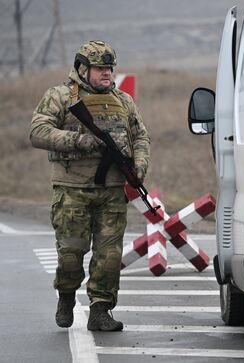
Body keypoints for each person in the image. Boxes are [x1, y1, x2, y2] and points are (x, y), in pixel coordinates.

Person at [29, 40, 150, 331]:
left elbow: (141, 137)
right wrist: (79, 142)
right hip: (72, 191)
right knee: (71, 254)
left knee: (109, 256)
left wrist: (139, 167)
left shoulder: (123, 100)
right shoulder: (60, 96)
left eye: (109, 68)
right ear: (83, 69)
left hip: (112, 191)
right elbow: (38, 130)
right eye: (100, 68)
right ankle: (66, 295)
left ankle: (100, 310)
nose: (107, 73)